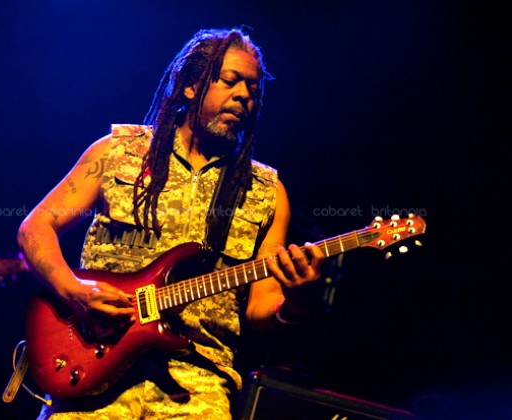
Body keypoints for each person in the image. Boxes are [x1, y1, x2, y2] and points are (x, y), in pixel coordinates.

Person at [17, 27, 325, 419]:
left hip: (196, 386)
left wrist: (297, 300)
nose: (244, 95)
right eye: (231, 81)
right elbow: (35, 227)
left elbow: (261, 308)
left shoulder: (267, 192)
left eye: (253, 88)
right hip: (92, 370)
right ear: (191, 86)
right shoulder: (117, 152)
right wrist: (74, 290)